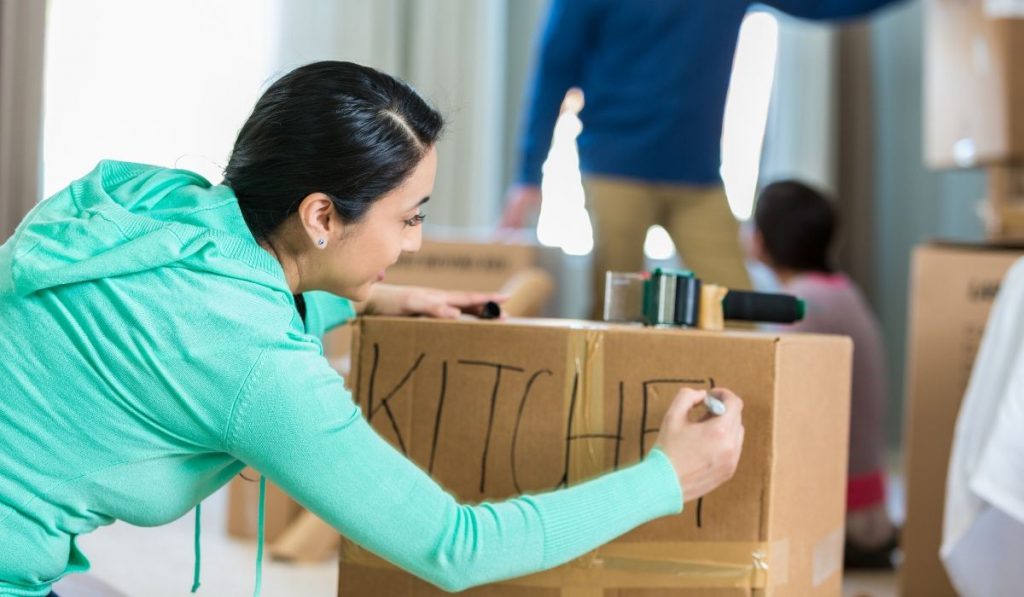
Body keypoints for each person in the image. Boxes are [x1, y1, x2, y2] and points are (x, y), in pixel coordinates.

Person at [0, 61, 745, 596]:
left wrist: (360, 299)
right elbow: (456, 547)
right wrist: (667, 477)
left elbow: (186, 312)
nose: (415, 242)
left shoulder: (148, 198)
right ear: (321, 215)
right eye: (409, 217)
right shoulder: (261, 369)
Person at [502, 0, 899, 319]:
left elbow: (821, 4)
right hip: (616, 168)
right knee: (615, 311)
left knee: (738, 309)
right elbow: (553, 69)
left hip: (698, 176)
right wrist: (527, 174)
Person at [749, 180, 897, 568]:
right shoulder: (840, 289)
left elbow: (770, 396)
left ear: (759, 241)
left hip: (842, 519)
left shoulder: (801, 305)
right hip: (867, 507)